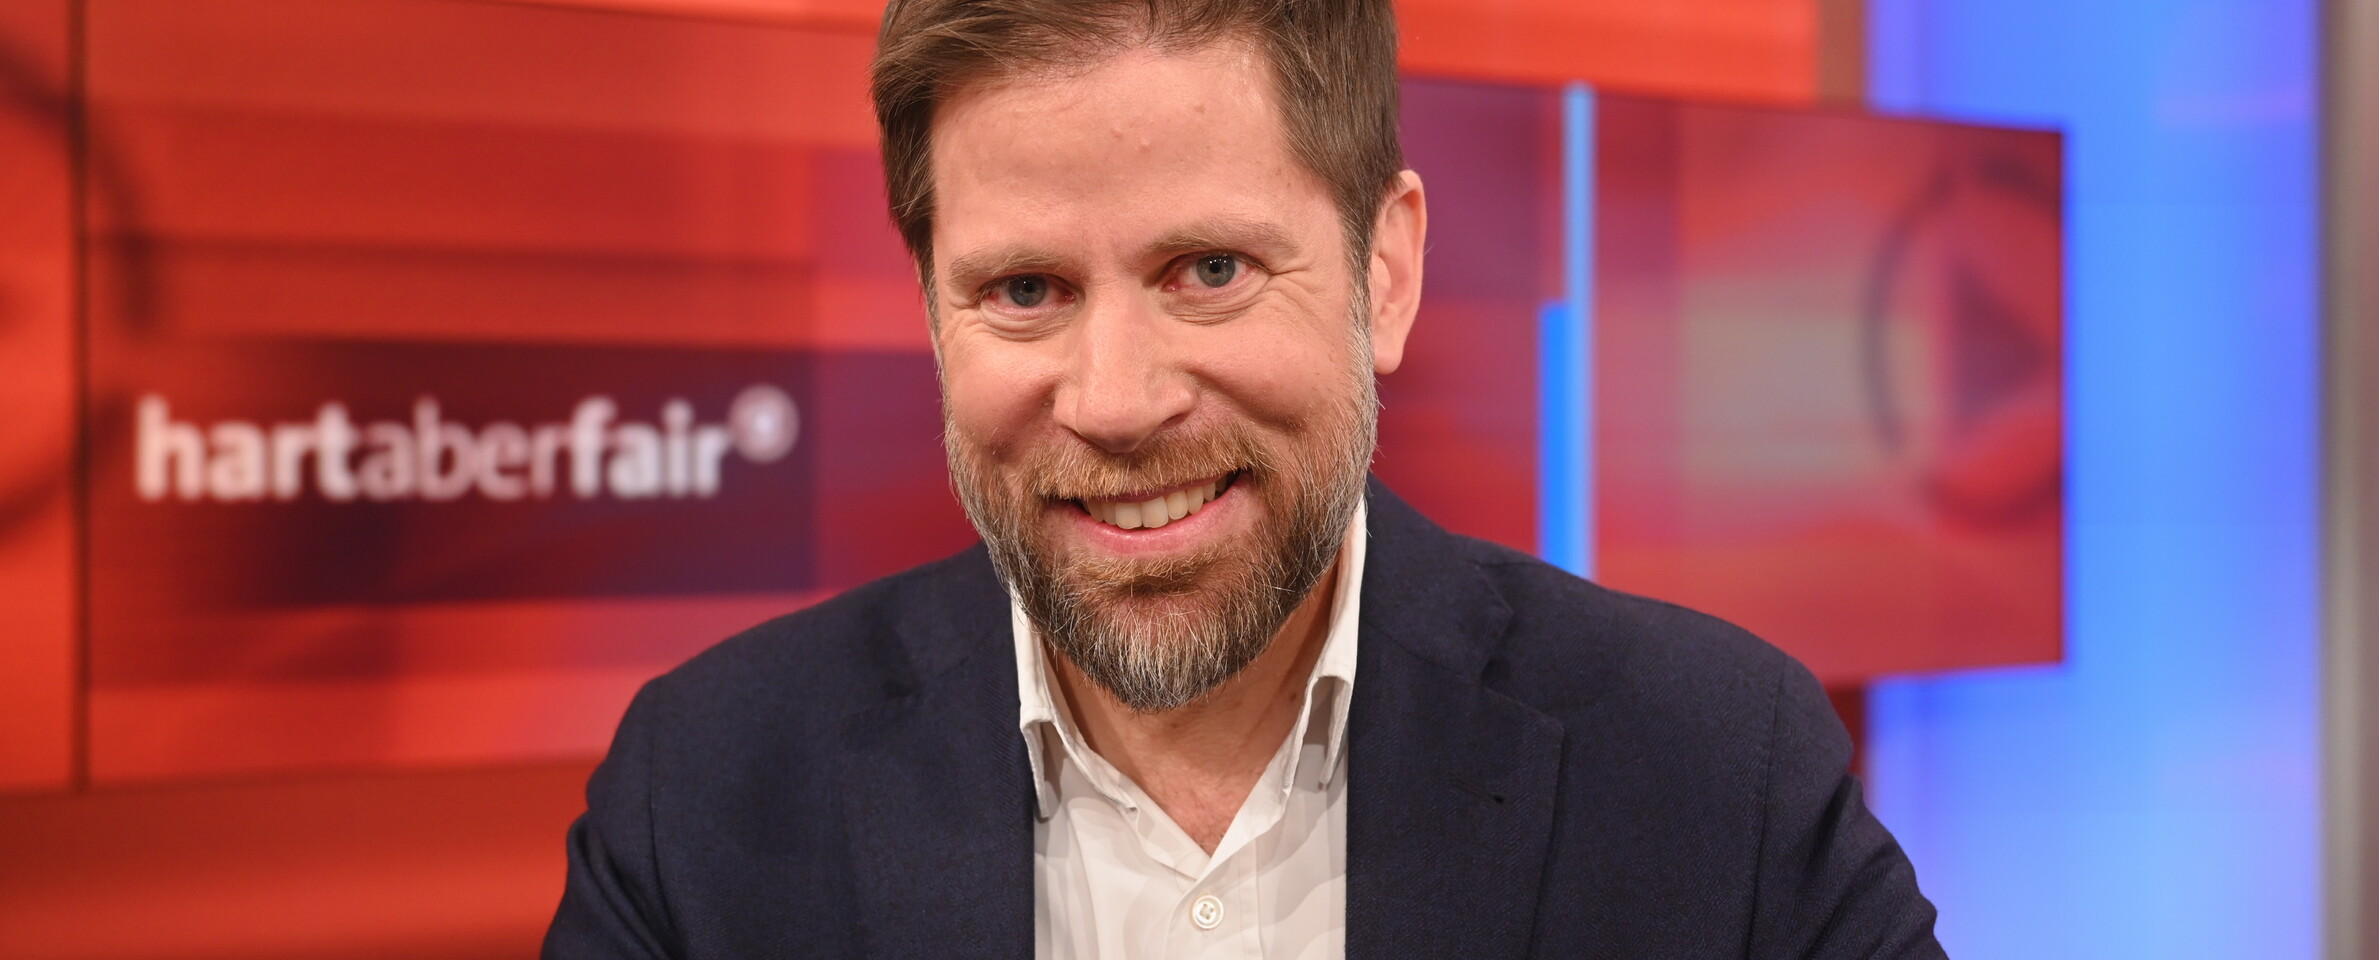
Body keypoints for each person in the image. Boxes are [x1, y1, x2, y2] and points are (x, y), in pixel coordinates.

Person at [545, 0, 1946, 956]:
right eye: (1024, 289)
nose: (1115, 402)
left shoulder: (1716, 768)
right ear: (931, 310)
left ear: (1383, 272)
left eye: (1208, 271)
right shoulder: (705, 798)